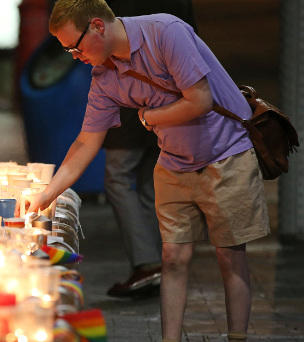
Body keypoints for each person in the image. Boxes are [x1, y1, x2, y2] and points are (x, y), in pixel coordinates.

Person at [26, 1, 270, 341]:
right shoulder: (104, 76)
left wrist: (148, 118)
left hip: (226, 154)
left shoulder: (166, 32)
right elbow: (85, 143)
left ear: (97, 26)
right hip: (173, 161)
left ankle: (237, 336)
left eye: (75, 47)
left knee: (229, 256)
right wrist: (45, 195)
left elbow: (198, 100)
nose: (75, 57)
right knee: (171, 258)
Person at [100, 0, 198, 298]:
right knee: (149, 178)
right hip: (175, 89)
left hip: (131, 83)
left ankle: (148, 264)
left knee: (118, 176)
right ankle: (161, 265)